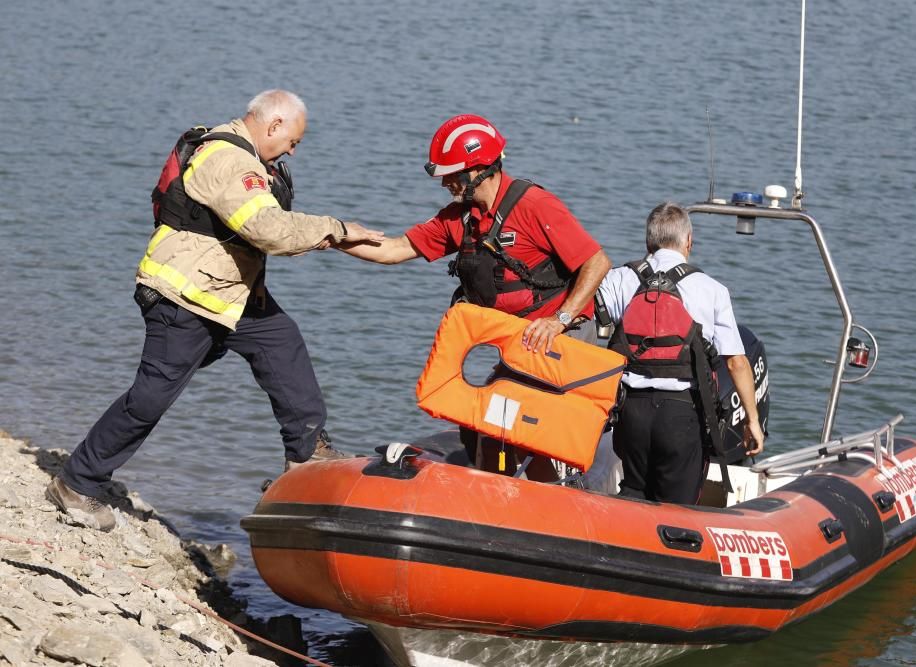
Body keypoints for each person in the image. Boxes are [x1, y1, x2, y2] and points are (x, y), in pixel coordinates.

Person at [46, 90, 384, 531]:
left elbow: (265, 229)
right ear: (274, 124)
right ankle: (77, 481)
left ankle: (307, 451)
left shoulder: (249, 160)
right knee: (150, 398)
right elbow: (266, 228)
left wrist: (315, 237)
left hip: (227, 294)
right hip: (182, 296)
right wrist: (336, 229)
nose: (293, 151)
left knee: (281, 342)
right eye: (293, 141)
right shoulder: (227, 159)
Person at [341, 114, 611, 475]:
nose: (445, 184)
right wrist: (332, 237)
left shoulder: (535, 205)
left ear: (480, 169)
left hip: (562, 337)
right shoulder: (461, 218)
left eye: (451, 176)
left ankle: (529, 495)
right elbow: (393, 250)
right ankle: (498, 491)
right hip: (519, 344)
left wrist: (558, 320)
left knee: (503, 420)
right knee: (476, 422)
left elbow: (597, 262)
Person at [598, 202, 765, 504]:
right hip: (681, 415)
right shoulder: (711, 289)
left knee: (634, 495)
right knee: (678, 511)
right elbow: (737, 362)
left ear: (648, 241)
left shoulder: (620, 279)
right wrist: (752, 420)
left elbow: (587, 315)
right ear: (689, 241)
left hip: (631, 412)